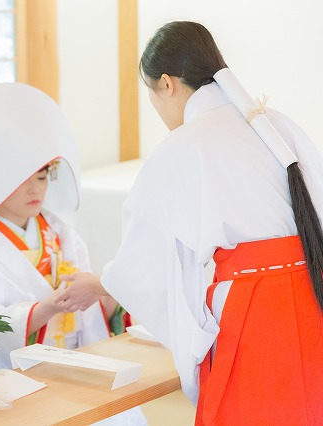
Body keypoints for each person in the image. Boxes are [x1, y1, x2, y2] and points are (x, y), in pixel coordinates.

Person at [54, 21, 323, 425]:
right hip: (313, 297)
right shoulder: (278, 125)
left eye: (152, 96)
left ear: (166, 84)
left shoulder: (185, 146)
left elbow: (144, 266)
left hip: (253, 315)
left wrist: (101, 283)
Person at [0, 83, 146, 425]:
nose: (36, 190)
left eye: (43, 177)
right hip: (12, 382)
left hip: (78, 365)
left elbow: (92, 309)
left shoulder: (61, 232)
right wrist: (44, 309)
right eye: (22, 180)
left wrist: (104, 299)